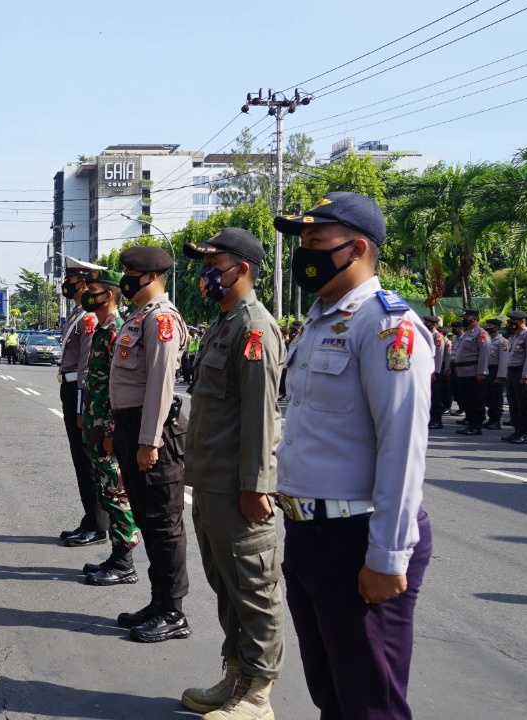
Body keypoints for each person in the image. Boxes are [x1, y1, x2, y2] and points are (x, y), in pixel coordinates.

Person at [273, 191, 434, 720]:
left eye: (316, 242)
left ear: (357, 248)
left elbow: (402, 447)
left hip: (357, 537)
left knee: (371, 704)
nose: (304, 254)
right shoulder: (321, 320)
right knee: (332, 694)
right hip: (311, 534)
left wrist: (387, 556)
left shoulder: (387, 326)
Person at [180, 229, 285, 718]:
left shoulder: (255, 329)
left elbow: (262, 416)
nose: (206, 276)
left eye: (213, 265)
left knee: (254, 588)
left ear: (241, 270)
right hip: (210, 483)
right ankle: (236, 677)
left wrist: (256, 486)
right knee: (225, 585)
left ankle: (258, 694)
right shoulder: (224, 324)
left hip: (238, 489)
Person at [110, 245, 190, 643]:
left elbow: (161, 385)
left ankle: (174, 611)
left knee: (163, 524)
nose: (124, 278)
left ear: (151, 276)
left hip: (151, 432)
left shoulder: (160, 319)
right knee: (147, 519)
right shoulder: (138, 317)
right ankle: (159, 602)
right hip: (131, 428)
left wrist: (149, 441)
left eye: (130, 272)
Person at [77, 268, 139, 587]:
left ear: (110, 295)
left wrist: (112, 430)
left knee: (116, 491)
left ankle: (125, 560)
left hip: (108, 426)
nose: (87, 292)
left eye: (94, 288)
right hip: (95, 421)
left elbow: (120, 383)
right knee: (107, 490)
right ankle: (117, 555)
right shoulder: (101, 329)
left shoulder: (117, 329)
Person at [57, 256, 109, 547]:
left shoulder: (88, 318)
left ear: (85, 284)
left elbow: (87, 367)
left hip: (79, 391)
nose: (67, 285)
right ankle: (90, 518)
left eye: (72, 281)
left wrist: (81, 407)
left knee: (88, 461)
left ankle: (99, 525)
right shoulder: (79, 313)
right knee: (80, 460)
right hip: (70, 389)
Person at [451, 308, 489, 436]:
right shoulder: (467, 334)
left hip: (473, 372)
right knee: (466, 399)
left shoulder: (481, 333)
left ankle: (476, 426)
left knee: (475, 400)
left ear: (474, 319)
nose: (464, 320)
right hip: (463, 372)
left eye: (466, 318)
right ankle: (470, 423)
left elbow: (484, 353)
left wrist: (481, 372)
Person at [500, 310, 527, 444]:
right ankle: (516, 430)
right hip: (512, 372)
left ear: (521, 321)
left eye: (513, 320)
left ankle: (524, 433)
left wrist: (526, 376)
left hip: (522, 372)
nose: (510, 323)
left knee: (524, 404)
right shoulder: (515, 336)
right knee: (514, 403)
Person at [422, 316, 446, 430]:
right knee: (427, 396)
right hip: (426, 370)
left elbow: (438, 356)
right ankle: (430, 418)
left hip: (434, 371)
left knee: (435, 397)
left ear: (434, 324)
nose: (426, 325)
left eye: (428, 323)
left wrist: (434, 371)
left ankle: (437, 420)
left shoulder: (438, 337)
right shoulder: (426, 335)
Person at [483, 317, 507, 430]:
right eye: (487, 326)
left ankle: (495, 421)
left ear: (496, 327)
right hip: (487, 370)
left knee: (496, 397)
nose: (488, 328)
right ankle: (490, 419)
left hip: (496, 370)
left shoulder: (502, 341)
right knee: (487, 396)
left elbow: (503, 360)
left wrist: (500, 376)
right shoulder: (487, 340)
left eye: (490, 326)